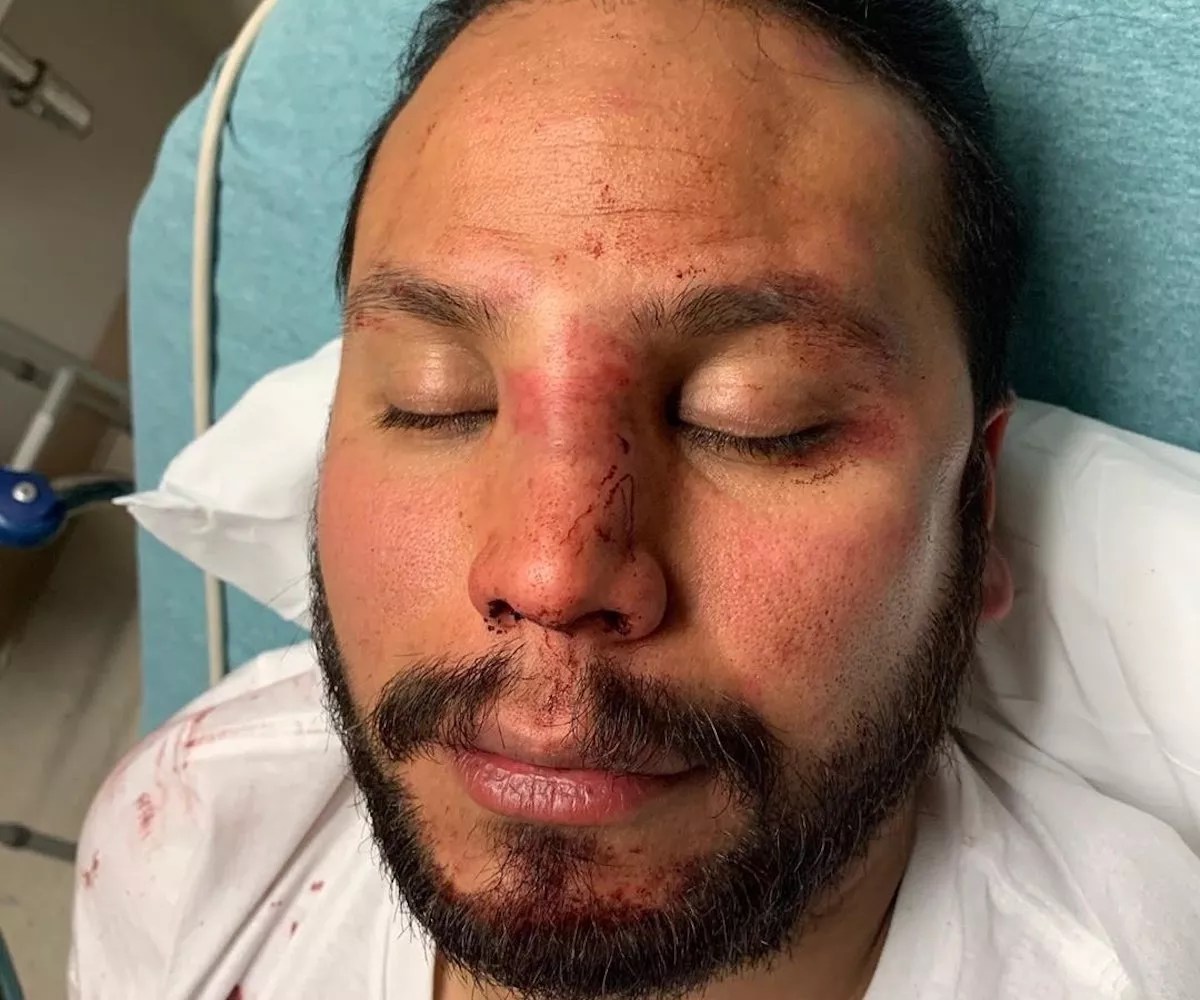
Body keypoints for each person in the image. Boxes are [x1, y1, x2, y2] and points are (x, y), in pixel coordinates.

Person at [70, 0, 1200, 997]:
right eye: (436, 399)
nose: (551, 575)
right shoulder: (181, 845)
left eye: (757, 418)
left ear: (977, 498)